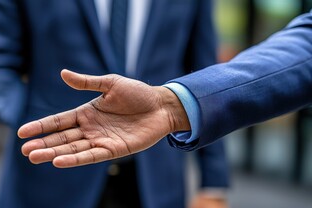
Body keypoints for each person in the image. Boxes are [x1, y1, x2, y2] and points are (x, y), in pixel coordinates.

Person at [0, 0, 230, 208]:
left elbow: (204, 78)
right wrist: (28, 123)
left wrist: (213, 185)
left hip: (153, 193)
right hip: (51, 185)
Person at [18, 11, 312, 168]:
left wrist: (213, 182)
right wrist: (169, 105)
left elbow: (200, 57)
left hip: (158, 180)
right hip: (53, 178)